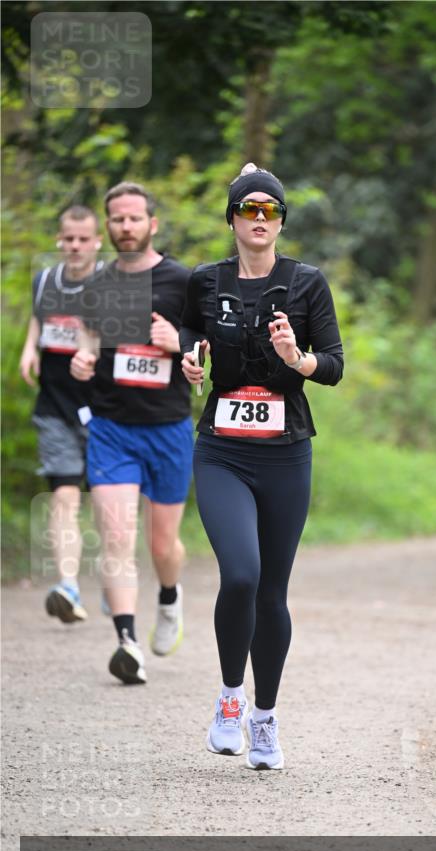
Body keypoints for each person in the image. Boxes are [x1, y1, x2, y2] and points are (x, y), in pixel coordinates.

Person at [180, 163, 343, 769]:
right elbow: (187, 334)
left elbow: (333, 364)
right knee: (241, 575)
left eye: (268, 210)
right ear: (232, 219)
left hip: (286, 453)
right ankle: (229, 700)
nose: (258, 219)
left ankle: (265, 718)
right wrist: (190, 362)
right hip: (222, 448)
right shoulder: (205, 280)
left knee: (272, 591)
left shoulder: (307, 284)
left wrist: (296, 358)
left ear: (279, 221)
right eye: (247, 209)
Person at [70, 182, 191, 685]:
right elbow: (88, 339)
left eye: (134, 218)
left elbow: (207, 349)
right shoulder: (97, 286)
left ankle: (169, 598)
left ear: (152, 224)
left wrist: (179, 341)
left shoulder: (184, 282)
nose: (125, 227)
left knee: (163, 545)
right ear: (108, 227)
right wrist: (82, 358)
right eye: (116, 220)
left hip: (168, 428)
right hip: (112, 429)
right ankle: (127, 642)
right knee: (117, 537)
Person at [20, 205, 103, 623]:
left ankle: (111, 582)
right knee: (65, 496)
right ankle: (68, 586)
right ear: (60, 239)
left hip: (105, 409)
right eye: (68, 238)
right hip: (54, 405)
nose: (74, 246)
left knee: (109, 501)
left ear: (97, 242)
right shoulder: (45, 281)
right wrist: (29, 349)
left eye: (82, 239)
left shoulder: (111, 284)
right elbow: (39, 320)